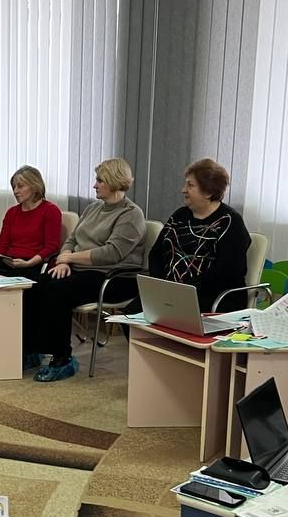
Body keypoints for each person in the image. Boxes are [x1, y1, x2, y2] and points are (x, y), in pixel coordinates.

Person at [23, 158, 147, 382]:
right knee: (33, 286)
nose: (94, 185)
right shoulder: (92, 209)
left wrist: (70, 257)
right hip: (82, 270)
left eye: (100, 180)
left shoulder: (131, 214)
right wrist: (63, 261)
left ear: (114, 181)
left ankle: (62, 358)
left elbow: (111, 253)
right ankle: (33, 350)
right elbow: (71, 239)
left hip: (114, 277)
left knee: (57, 292)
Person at [146, 159, 251, 312]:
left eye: (190, 185)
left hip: (211, 297)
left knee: (163, 315)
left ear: (208, 192)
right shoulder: (179, 216)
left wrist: (184, 289)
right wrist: (162, 284)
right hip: (170, 293)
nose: (183, 190)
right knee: (129, 315)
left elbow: (228, 272)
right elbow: (156, 253)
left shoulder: (230, 222)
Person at [0, 166, 62, 276]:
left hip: (32, 264)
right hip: (8, 262)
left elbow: (51, 247)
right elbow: (2, 244)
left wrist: (28, 263)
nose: (15, 191)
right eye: (14, 187)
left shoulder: (51, 211)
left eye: (20, 186)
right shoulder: (12, 212)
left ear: (35, 186)